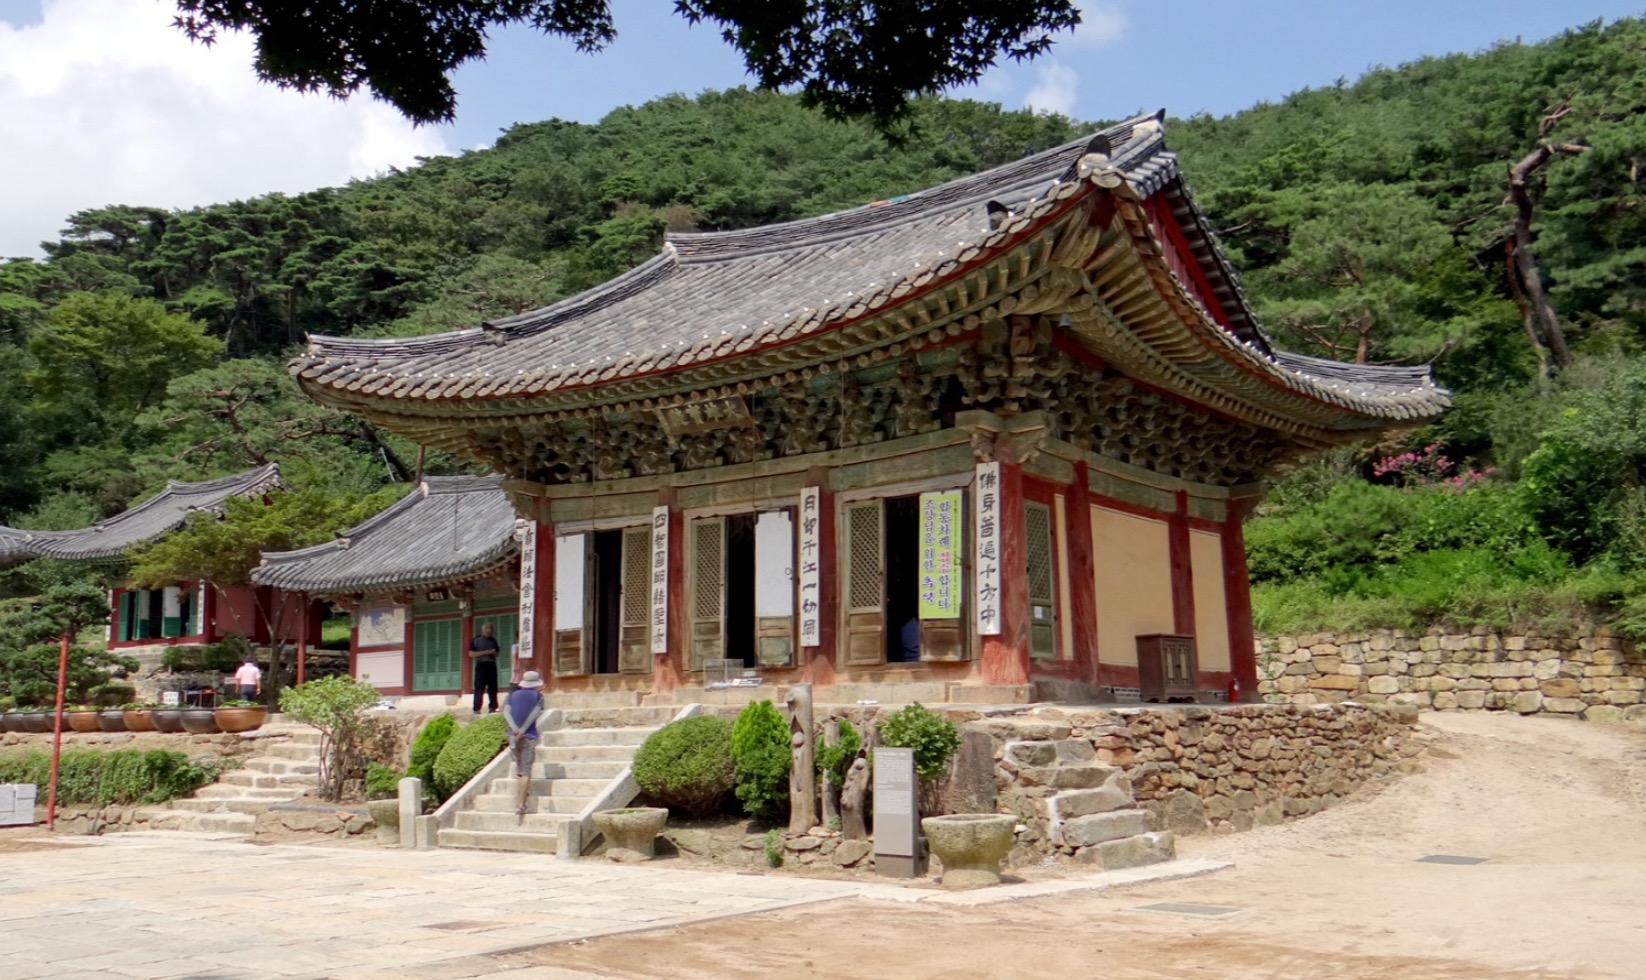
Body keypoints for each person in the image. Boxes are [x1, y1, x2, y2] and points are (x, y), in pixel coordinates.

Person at [504, 670, 546, 817]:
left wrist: (515, 730)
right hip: (529, 735)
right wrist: (522, 730)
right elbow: (534, 714)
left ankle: (521, 796)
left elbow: (506, 712)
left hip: (512, 735)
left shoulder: (512, 695)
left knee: (519, 769)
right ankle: (521, 804)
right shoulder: (538, 697)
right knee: (526, 770)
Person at [468, 623, 501, 713]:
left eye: (491, 630)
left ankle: (493, 707)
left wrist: (493, 652)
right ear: (483, 630)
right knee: (479, 687)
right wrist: (485, 652)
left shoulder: (493, 641)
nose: (490, 631)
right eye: (488, 630)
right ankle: (477, 708)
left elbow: (497, 654)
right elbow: (471, 654)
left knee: (493, 687)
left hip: (491, 665)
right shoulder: (476, 640)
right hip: (481, 665)